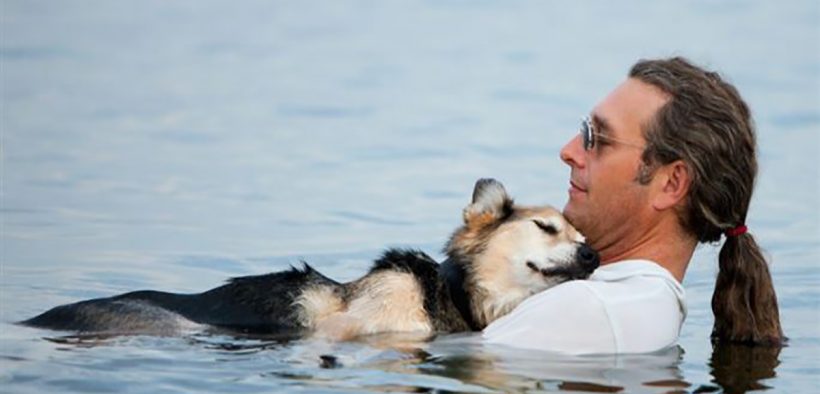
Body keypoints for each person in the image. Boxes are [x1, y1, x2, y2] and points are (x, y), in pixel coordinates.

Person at [483, 57, 784, 354]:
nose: (569, 151)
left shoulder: (593, 310)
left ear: (671, 184)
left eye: (598, 138)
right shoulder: (641, 305)